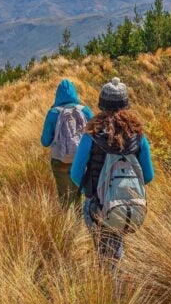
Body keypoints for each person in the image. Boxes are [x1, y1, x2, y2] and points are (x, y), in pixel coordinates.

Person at [71, 77, 154, 264]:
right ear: (126, 105)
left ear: (101, 105)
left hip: (97, 205)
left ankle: (108, 289)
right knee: (115, 247)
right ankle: (113, 285)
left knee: (103, 252)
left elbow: (75, 174)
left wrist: (92, 191)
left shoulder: (91, 137)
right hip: (127, 204)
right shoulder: (138, 137)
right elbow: (148, 176)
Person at [41, 79, 94, 208]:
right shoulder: (85, 111)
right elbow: (95, 136)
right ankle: (79, 224)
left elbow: (45, 141)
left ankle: (64, 225)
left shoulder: (53, 113)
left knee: (64, 197)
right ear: (74, 93)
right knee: (79, 196)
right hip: (80, 160)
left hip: (59, 160)